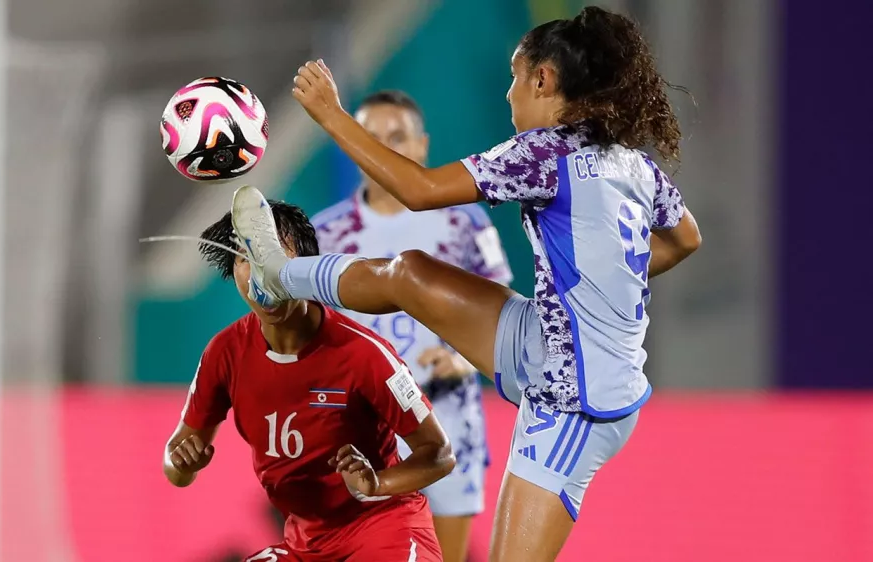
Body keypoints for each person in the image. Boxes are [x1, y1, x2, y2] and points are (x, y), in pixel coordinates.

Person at [234, 6, 702, 560]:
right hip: (544, 341)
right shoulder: (633, 164)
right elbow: (684, 238)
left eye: (515, 77)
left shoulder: (543, 152)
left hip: (575, 403)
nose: (508, 95)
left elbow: (420, 189)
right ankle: (277, 277)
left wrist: (332, 116)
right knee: (409, 273)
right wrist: (607, 282)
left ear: (543, 80)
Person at [162, 201, 456, 562]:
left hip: (383, 528)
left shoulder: (363, 353)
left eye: (274, 255)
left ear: (305, 267)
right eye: (244, 258)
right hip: (306, 545)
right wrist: (182, 463)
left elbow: (439, 454)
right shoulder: (224, 352)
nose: (259, 271)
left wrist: (377, 483)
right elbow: (176, 467)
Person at [312, 89, 513, 562]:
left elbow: (501, 313)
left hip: (450, 423)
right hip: (358, 433)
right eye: (369, 137)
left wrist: (462, 358)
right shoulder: (324, 234)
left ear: (422, 146)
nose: (383, 148)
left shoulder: (465, 224)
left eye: (397, 138)